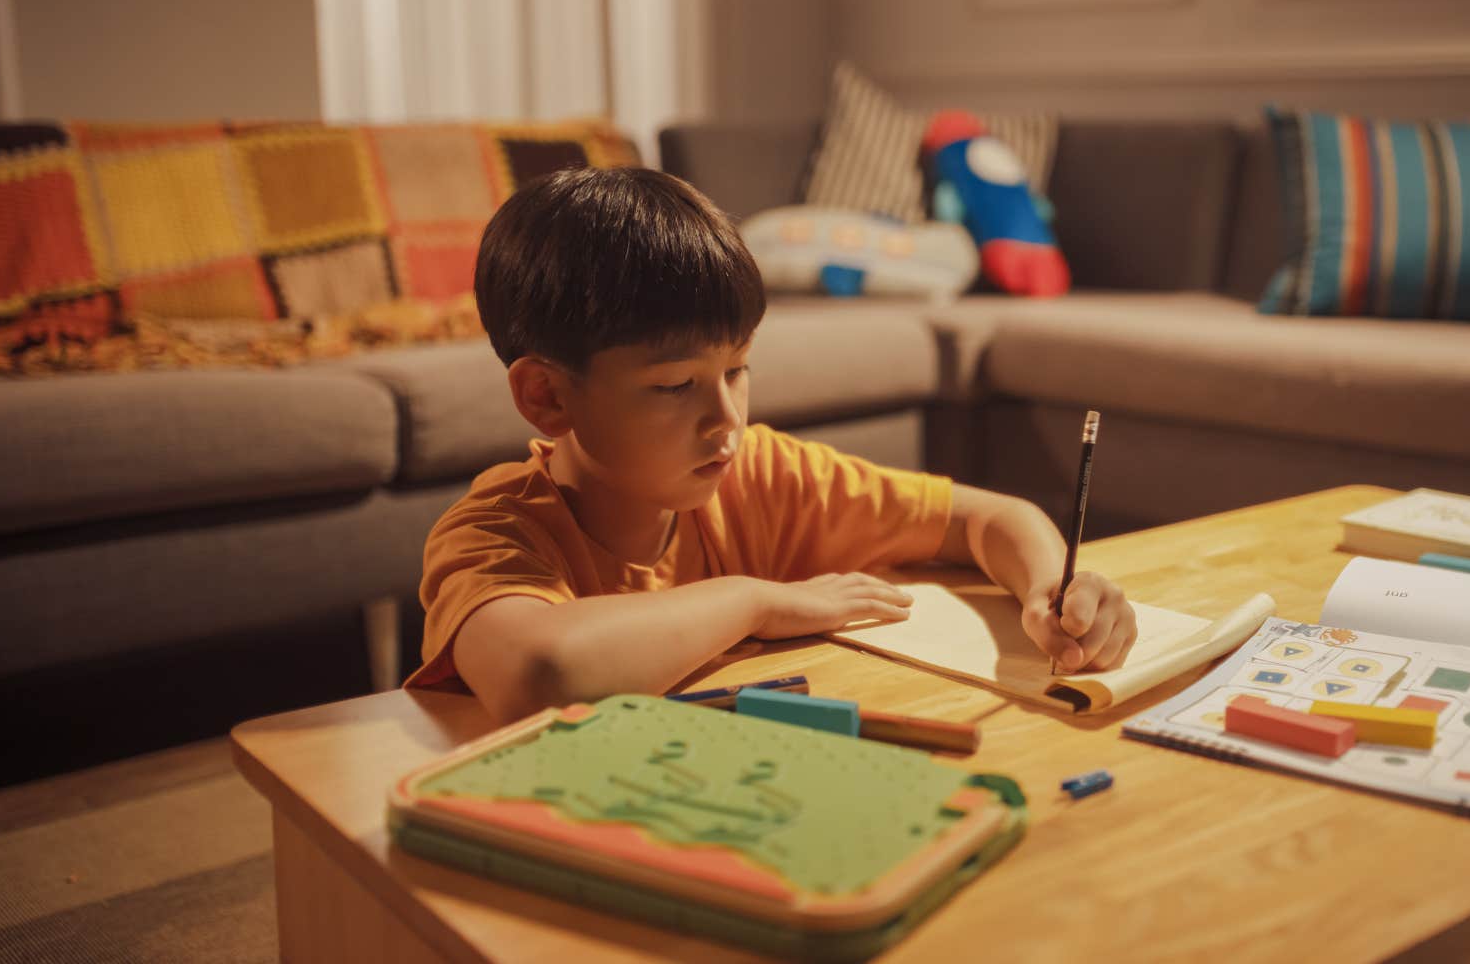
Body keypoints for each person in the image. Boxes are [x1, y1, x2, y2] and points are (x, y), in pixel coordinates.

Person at [407, 166, 1137, 721]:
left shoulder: (755, 473)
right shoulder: (493, 533)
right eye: (673, 386)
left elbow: (989, 519)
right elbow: (541, 673)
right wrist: (758, 602)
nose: (725, 419)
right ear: (548, 395)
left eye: (737, 369)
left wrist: (1048, 589)